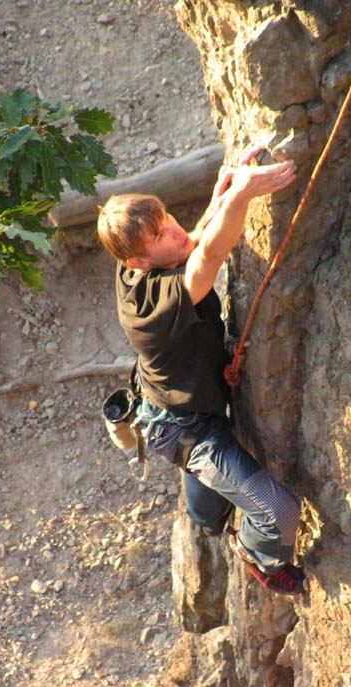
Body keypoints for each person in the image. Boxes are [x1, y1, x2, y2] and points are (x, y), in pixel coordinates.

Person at [97, 146, 306, 595]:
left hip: (179, 401)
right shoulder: (151, 306)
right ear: (138, 262)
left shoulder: (138, 258)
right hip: (187, 428)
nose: (177, 230)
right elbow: (207, 257)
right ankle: (258, 554)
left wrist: (217, 199)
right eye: (163, 235)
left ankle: (207, 517)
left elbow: (189, 243)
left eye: (168, 218)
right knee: (279, 513)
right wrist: (241, 197)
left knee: (207, 513)